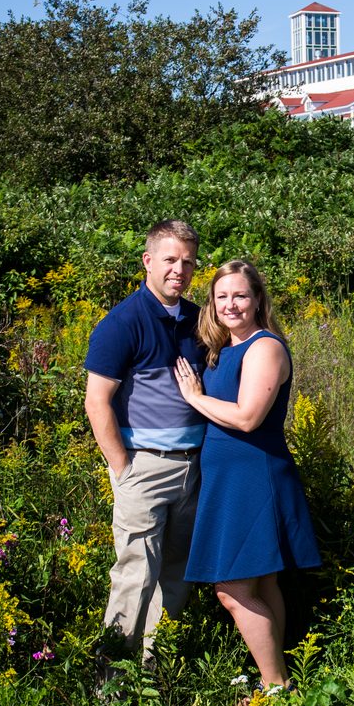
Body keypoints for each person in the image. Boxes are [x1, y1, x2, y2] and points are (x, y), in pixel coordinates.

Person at [173, 259, 320, 689]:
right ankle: (279, 676)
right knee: (264, 579)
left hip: (254, 477)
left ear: (258, 299)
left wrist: (194, 398)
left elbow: (248, 417)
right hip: (229, 480)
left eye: (240, 295)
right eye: (221, 296)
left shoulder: (265, 347)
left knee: (232, 589)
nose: (231, 304)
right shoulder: (224, 349)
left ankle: (276, 685)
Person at [84, 220, 206, 661]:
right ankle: (111, 679)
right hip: (144, 467)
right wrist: (123, 468)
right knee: (136, 574)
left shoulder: (197, 320)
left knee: (177, 574)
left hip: (193, 466)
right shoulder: (122, 322)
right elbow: (97, 402)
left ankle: (156, 670)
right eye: (170, 259)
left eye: (188, 262)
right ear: (148, 261)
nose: (180, 270)